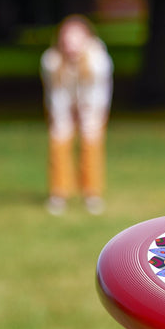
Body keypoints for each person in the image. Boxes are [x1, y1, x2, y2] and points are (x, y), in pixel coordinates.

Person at [40, 14, 113, 215]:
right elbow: (56, 93)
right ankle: (59, 193)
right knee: (59, 141)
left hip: (92, 106)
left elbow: (98, 93)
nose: (71, 44)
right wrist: (64, 116)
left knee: (91, 144)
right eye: (67, 38)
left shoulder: (98, 60)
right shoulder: (51, 60)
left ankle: (92, 193)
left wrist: (86, 114)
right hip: (62, 106)